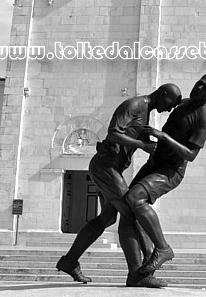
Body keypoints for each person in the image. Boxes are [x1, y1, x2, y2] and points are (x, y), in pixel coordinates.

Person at [55, 83, 182, 287]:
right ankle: (138, 274)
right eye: (171, 103)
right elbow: (113, 133)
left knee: (107, 217)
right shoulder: (134, 104)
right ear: (163, 94)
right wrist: (143, 145)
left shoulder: (146, 112)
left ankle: (69, 261)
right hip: (106, 168)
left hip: (111, 169)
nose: (169, 109)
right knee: (132, 213)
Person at [121, 73, 206, 280]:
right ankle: (138, 273)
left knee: (134, 198)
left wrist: (163, 136)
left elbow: (191, 155)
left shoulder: (203, 118)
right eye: (199, 83)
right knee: (127, 211)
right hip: (155, 164)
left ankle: (163, 248)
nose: (199, 88)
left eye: (205, 88)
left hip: (170, 171)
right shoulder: (183, 104)